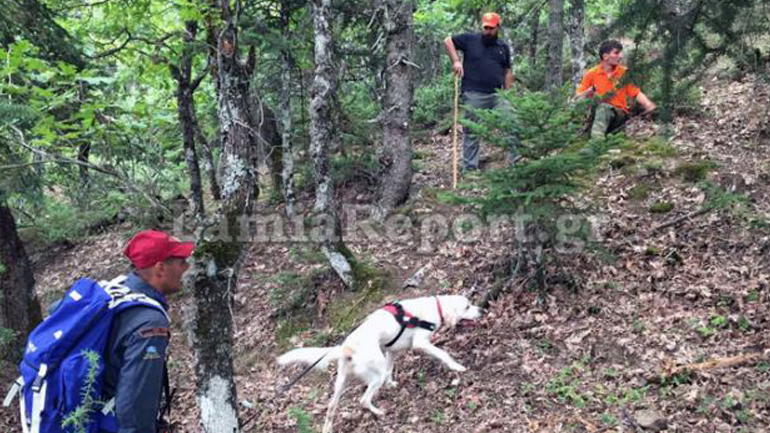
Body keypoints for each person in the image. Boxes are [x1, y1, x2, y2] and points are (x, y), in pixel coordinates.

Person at [106, 230, 194, 432]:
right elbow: (135, 403)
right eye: (181, 262)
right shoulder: (150, 323)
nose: (186, 267)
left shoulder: (117, 291)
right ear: (160, 267)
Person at [444, 12, 516, 171]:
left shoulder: (503, 47)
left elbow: (508, 71)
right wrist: (456, 61)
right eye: (485, 27)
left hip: (498, 95)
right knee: (472, 130)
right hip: (474, 93)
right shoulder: (470, 39)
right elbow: (448, 40)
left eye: (491, 28)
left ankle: (514, 166)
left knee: (513, 123)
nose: (488, 31)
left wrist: (508, 94)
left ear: (498, 27)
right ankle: (469, 169)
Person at [576, 39, 657, 138]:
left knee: (604, 107)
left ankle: (596, 143)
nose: (621, 56)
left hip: (618, 116)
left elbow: (636, 93)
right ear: (605, 56)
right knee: (600, 108)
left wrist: (649, 105)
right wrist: (589, 91)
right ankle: (595, 138)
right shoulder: (591, 74)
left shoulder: (624, 73)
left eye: (620, 53)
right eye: (616, 53)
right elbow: (578, 98)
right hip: (595, 115)